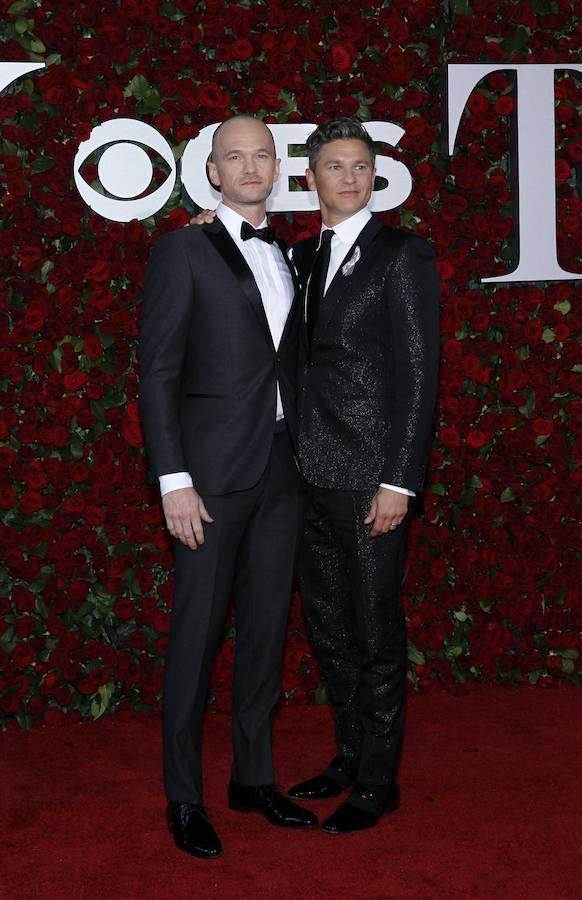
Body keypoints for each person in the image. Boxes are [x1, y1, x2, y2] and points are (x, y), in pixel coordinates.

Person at [139, 114, 316, 861]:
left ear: (278, 167)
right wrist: (173, 480)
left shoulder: (291, 254)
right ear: (211, 172)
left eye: (261, 155)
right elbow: (158, 373)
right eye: (233, 157)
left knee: (267, 632)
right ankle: (184, 798)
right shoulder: (182, 251)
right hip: (209, 478)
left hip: (284, 468)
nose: (249, 167)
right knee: (196, 637)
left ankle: (252, 779)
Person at [286, 118, 440, 833]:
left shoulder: (401, 257)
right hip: (305, 474)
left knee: (376, 631)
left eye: (360, 166)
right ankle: (350, 755)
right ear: (312, 178)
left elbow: (418, 377)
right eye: (334, 166)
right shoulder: (301, 255)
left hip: (370, 475)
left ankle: (380, 782)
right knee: (328, 626)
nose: (348, 177)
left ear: (373, 177)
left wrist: (400, 481)